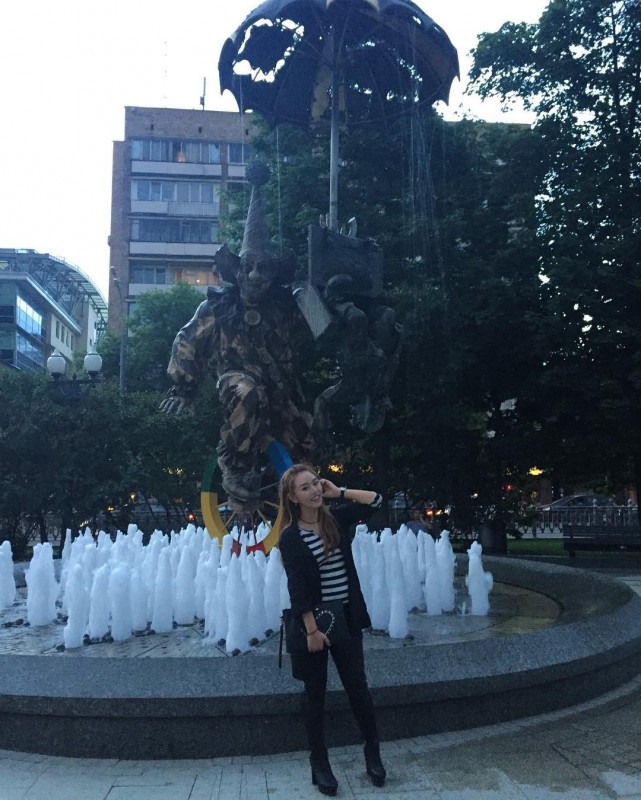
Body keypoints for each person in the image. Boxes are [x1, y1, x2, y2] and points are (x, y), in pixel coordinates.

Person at [160, 164, 313, 507]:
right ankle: (234, 465)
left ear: (273, 275)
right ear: (238, 271)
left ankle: (302, 504)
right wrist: (185, 388)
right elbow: (187, 340)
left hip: (281, 388)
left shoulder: (289, 306)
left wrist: (319, 290)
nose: (256, 276)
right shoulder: (217, 308)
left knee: (305, 435)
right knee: (248, 394)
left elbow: (324, 329)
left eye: (263, 268)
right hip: (237, 380)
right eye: (249, 267)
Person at [278, 464, 386, 796]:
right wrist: (312, 631)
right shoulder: (290, 537)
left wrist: (339, 491)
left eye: (315, 483)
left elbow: (376, 501)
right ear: (293, 497)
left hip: (347, 619)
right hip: (315, 626)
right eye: (305, 487)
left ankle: (372, 752)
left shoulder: (335, 519)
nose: (313, 491)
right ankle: (320, 763)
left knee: (358, 689)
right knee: (315, 695)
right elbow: (298, 589)